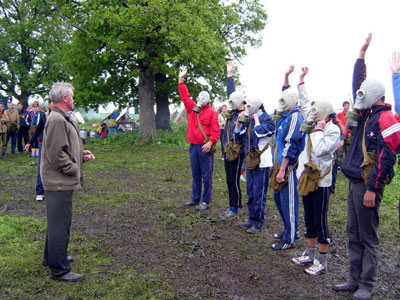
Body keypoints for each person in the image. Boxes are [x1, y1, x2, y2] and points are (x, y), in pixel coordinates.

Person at [333, 34, 400, 300]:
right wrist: (361, 55)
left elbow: (387, 157)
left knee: (368, 236)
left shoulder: (385, 119)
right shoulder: (365, 114)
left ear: (374, 95)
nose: (358, 95)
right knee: (352, 232)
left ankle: (367, 285)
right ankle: (354, 278)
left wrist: (373, 188)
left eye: (363, 93)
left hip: (367, 186)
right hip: (354, 182)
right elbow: (358, 85)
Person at [41, 82, 95, 282]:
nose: (73, 99)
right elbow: (56, 155)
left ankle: (52, 256)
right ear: (64, 98)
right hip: (59, 181)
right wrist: (74, 169)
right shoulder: (56, 119)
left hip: (60, 181)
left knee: (56, 223)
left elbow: (64, 148)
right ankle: (59, 269)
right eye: (72, 96)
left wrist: (80, 155)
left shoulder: (60, 118)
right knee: (60, 224)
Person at [291, 67, 340, 275]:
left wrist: (318, 130)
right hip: (307, 179)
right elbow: (304, 104)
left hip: (321, 182)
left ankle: (322, 260)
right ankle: (309, 254)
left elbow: (320, 151)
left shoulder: (333, 130)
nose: (311, 113)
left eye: (315, 112)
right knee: (309, 217)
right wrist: (301, 81)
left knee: (321, 220)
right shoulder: (312, 124)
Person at [271, 65, 305, 250]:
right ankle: (288, 229)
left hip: (289, 167)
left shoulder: (294, 118)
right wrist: (286, 76)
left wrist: (283, 169)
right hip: (281, 164)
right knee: (278, 198)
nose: (281, 102)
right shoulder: (286, 113)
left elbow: (291, 145)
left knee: (289, 201)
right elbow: (286, 94)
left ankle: (290, 238)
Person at [178, 68, 220, 211]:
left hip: (204, 147)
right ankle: (195, 198)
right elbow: (185, 97)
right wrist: (181, 80)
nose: (200, 100)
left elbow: (216, 131)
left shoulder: (212, 113)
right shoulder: (192, 109)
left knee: (207, 176)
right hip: (193, 146)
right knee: (195, 173)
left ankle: (205, 201)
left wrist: (210, 142)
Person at [234, 98, 276, 233]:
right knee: (251, 191)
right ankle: (251, 219)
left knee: (259, 193)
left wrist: (257, 119)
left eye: (250, 106)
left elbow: (260, 132)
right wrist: (238, 124)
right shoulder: (249, 120)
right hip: (251, 160)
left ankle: (258, 222)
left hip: (263, 163)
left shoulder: (268, 120)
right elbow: (239, 138)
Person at [219, 60, 246, 220]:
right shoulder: (232, 111)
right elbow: (232, 93)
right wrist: (229, 74)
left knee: (233, 180)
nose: (229, 103)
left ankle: (234, 208)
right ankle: (233, 205)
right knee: (229, 180)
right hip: (228, 150)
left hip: (237, 152)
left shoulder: (243, 116)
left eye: (233, 102)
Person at [25, 100, 49, 201]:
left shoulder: (61, 117)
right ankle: (40, 192)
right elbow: (38, 130)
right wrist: (29, 142)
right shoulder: (45, 116)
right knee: (41, 168)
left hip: (55, 146)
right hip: (43, 144)